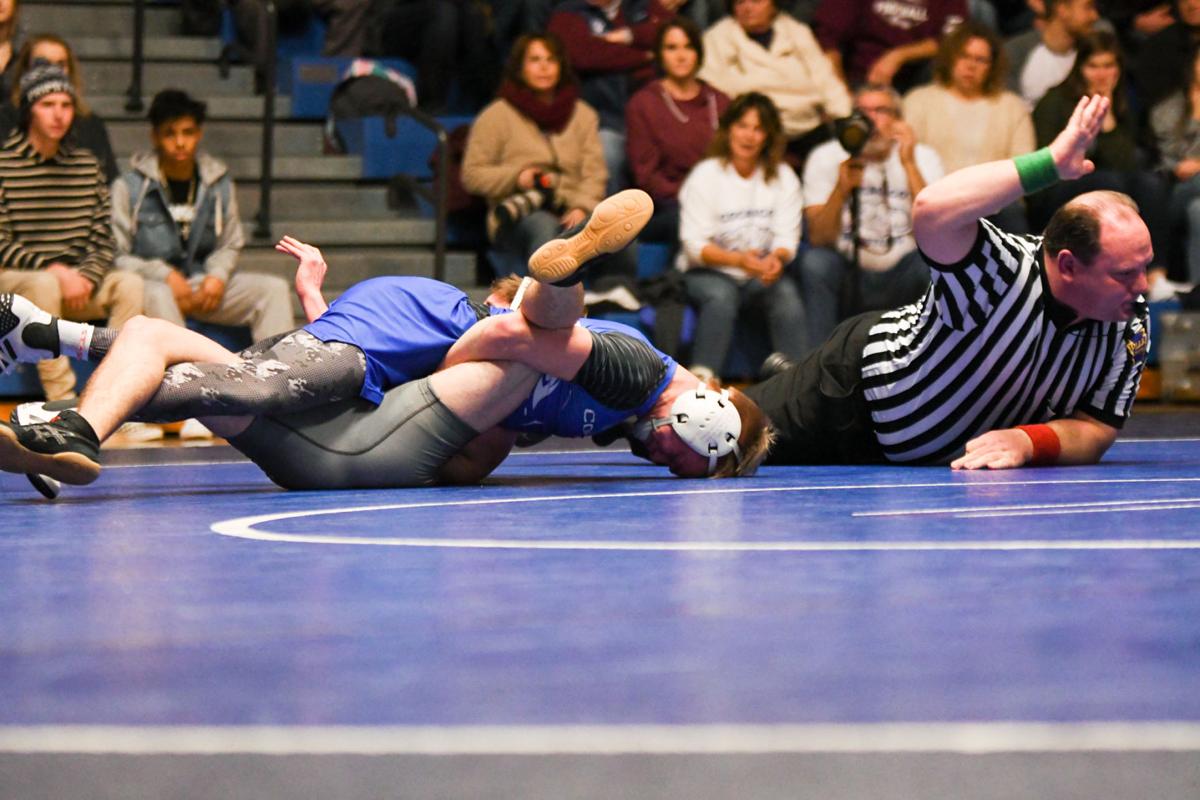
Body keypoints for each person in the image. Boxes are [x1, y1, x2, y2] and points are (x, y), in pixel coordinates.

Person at [0, 190, 772, 489]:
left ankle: (46, 350)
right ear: (705, 425)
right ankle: (563, 275)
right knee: (258, 386)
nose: (674, 470)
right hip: (418, 338)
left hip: (390, 338)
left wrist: (315, 304)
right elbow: (513, 335)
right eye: (689, 464)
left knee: (179, 346)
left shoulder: (623, 410)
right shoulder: (634, 376)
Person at [745, 94, 1150, 469]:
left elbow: (1096, 428)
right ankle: (693, 380)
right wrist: (1049, 164)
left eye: (1145, 267)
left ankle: (781, 374)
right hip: (848, 397)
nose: (1143, 286)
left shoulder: (1129, 319)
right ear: (1068, 265)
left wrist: (1029, 441)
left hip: (911, 457)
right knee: (713, 435)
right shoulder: (1004, 269)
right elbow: (932, 210)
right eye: (1125, 273)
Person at [0, 63, 142, 402]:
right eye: (47, 105)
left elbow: (104, 239)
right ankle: (62, 401)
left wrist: (88, 276)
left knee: (130, 284)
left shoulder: (87, 164)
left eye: (65, 105)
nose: (58, 114)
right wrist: (55, 271)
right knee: (44, 284)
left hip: (76, 282)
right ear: (29, 109)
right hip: (20, 281)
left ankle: (114, 397)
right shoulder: (4, 164)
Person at [111, 89, 293, 343]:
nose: (180, 142)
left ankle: (278, 377)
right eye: (169, 134)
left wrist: (217, 277)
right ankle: (186, 379)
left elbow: (231, 242)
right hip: (153, 286)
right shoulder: (128, 186)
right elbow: (116, 255)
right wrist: (164, 274)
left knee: (273, 289)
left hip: (201, 284)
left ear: (199, 133)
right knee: (157, 294)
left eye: (188, 132)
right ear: (154, 136)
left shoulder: (217, 182)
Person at [462, 33, 638, 287]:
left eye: (551, 60)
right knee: (544, 227)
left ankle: (614, 294)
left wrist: (581, 206)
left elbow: (595, 173)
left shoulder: (582, 114)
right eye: (535, 60)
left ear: (561, 67)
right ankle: (543, 307)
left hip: (571, 206)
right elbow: (472, 175)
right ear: (520, 67)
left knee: (619, 223)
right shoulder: (496, 115)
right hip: (518, 212)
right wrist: (516, 176)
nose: (544, 67)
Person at [676, 91, 807, 382]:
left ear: (768, 136)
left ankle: (798, 380)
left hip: (758, 272)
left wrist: (777, 259)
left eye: (758, 128)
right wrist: (738, 260)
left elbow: (787, 238)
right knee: (721, 295)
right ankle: (702, 381)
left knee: (785, 292)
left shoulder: (783, 176)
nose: (749, 136)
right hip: (707, 272)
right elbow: (694, 244)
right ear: (729, 129)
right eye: (743, 126)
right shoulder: (706, 175)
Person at [799, 84, 944, 343]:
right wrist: (840, 191)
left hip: (903, 269)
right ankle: (817, 369)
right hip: (848, 268)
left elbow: (938, 229)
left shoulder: (923, 156)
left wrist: (908, 164)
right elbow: (819, 237)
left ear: (898, 120)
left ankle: (931, 363)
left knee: (935, 264)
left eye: (880, 111)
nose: (870, 119)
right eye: (862, 111)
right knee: (815, 263)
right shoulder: (826, 156)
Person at [1028, 30, 1168, 260]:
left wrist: (1109, 117)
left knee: (1150, 184)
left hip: (1113, 178)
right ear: (1080, 68)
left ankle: (1155, 272)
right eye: (1093, 66)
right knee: (1108, 182)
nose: (1102, 74)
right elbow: (1047, 164)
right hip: (1056, 187)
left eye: (1108, 65)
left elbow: (1128, 164)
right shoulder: (1054, 102)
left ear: (1119, 68)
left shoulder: (1125, 103)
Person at [903, 20, 1035, 232]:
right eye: (964, 56)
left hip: (995, 203)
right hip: (938, 200)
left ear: (992, 66)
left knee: (1011, 215)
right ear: (950, 59)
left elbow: (1023, 167)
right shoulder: (919, 101)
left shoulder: (1011, 106)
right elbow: (908, 159)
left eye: (980, 60)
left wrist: (984, 196)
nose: (971, 66)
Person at [547, 0, 680, 193]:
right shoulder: (569, 12)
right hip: (602, 118)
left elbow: (674, 32)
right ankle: (612, 221)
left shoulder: (641, 5)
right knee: (608, 152)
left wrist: (629, 35)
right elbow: (581, 55)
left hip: (652, 115)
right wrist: (645, 56)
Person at [699, 0, 851, 166]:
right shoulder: (717, 37)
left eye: (756, 1)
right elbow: (714, 89)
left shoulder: (797, 31)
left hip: (806, 128)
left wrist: (844, 116)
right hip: (753, 133)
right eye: (740, 2)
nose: (748, 8)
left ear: (773, 4)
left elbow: (825, 80)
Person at [625, 16, 730, 249]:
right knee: (688, 221)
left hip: (725, 199)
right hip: (670, 206)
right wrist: (695, 198)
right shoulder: (644, 103)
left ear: (698, 52)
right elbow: (647, 177)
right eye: (672, 48)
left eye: (688, 47)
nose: (681, 55)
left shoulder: (720, 100)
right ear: (660, 54)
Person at [0, 33, 119, 183]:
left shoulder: (91, 124)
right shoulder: (4, 119)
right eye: (42, 62)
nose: (52, 70)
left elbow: (110, 182)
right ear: (25, 69)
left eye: (61, 64)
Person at [813, 0, 968, 93]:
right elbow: (826, 38)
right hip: (862, 76)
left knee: (948, 61)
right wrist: (842, 93)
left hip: (917, 81)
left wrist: (900, 55)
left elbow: (955, 38)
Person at [1151, 45, 1200, 283]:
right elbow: (1170, 163)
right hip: (1175, 191)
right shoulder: (1169, 109)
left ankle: (1196, 295)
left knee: (1198, 211)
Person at [1005, 0, 1100, 107]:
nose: (1095, 16)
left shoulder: (1092, 52)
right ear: (1062, 10)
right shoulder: (1017, 50)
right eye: (1088, 7)